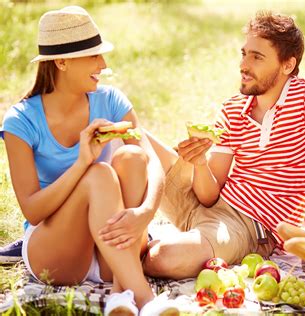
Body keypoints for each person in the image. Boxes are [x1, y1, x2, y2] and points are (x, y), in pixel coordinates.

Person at [1, 6, 177, 315]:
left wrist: (145, 212)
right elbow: (32, 208)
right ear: (62, 61)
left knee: (132, 156)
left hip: (109, 250)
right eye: (93, 55)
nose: (104, 64)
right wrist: (82, 163)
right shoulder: (21, 120)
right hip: (55, 253)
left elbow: (151, 162)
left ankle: (120, 296)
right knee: (98, 174)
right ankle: (146, 300)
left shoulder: (110, 101)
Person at [143, 11, 305, 279]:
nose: (244, 65)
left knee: (161, 259)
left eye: (257, 57)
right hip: (206, 207)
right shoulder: (234, 108)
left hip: (248, 228)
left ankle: (136, 250)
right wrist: (199, 162)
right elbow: (209, 196)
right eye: (244, 54)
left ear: (287, 65)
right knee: (129, 135)